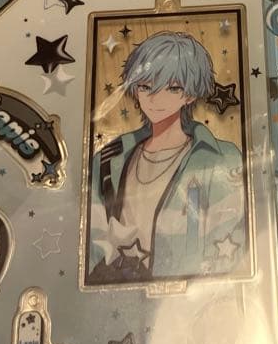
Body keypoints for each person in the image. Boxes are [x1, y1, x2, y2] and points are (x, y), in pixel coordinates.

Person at [87, 32, 246, 283]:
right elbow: (92, 239)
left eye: (172, 88)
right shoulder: (110, 158)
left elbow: (231, 240)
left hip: (193, 294)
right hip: (117, 290)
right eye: (145, 86)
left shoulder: (219, 159)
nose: (155, 98)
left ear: (190, 95)